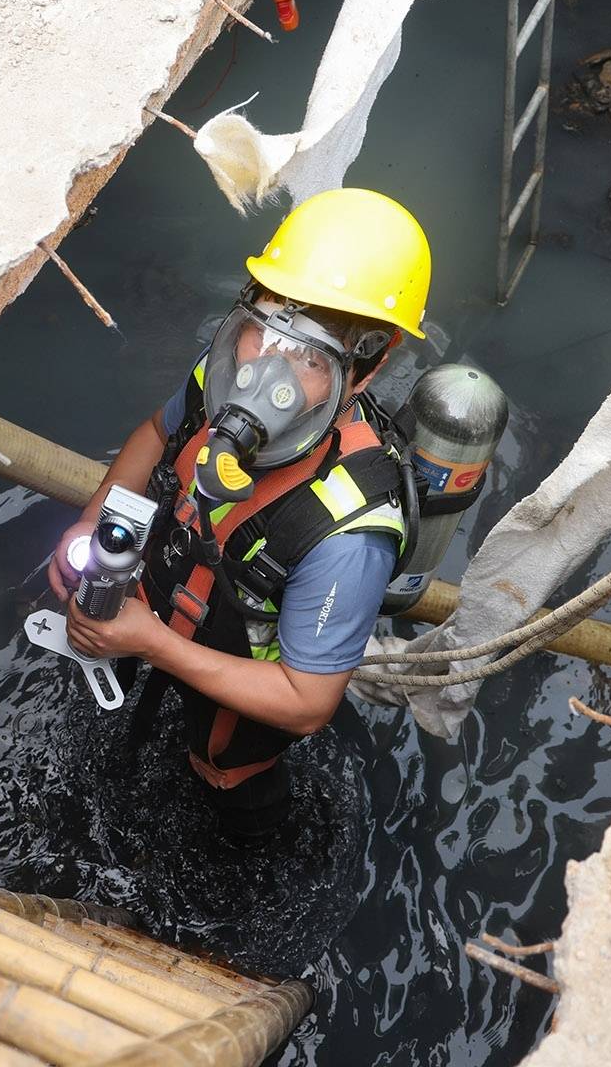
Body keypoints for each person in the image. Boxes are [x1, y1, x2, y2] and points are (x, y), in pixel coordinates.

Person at [47, 188, 432, 840]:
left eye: (310, 357)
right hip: (157, 617)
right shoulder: (224, 374)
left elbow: (308, 703)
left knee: (221, 774)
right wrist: (94, 521)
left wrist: (153, 644)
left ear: (370, 364)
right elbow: (152, 435)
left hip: (228, 694)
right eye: (265, 328)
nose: (265, 374)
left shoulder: (348, 530)